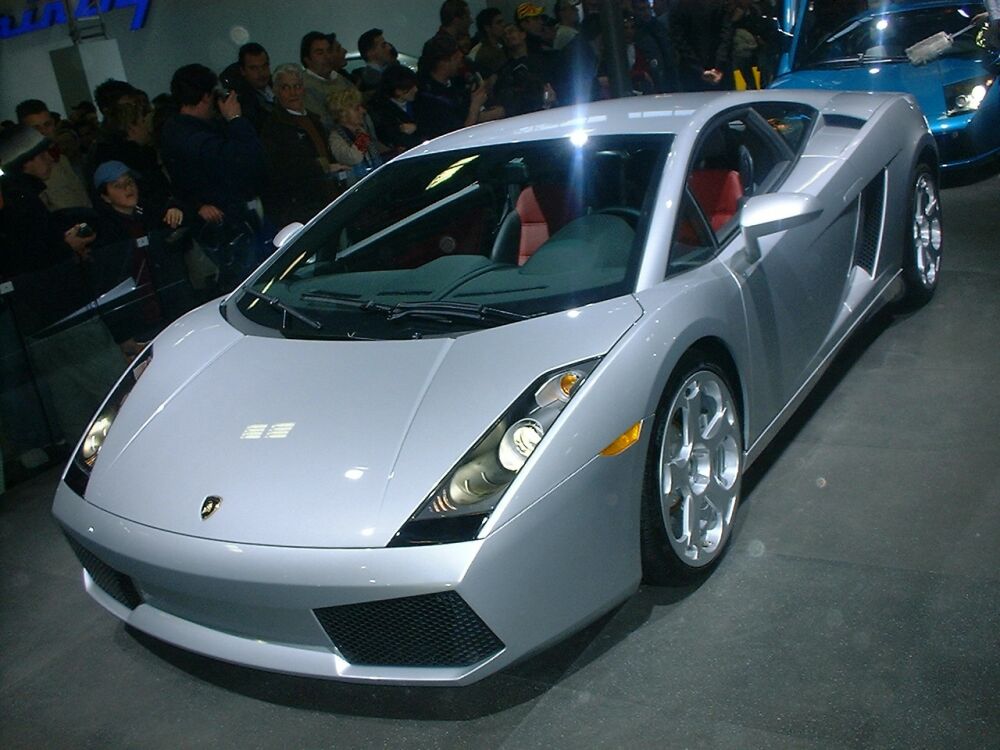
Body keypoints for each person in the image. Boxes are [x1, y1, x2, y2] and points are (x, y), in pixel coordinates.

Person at [159, 63, 267, 287]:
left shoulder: (175, 130)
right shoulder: (195, 137)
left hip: (220, 225)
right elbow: (246, 159)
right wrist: (236, 120)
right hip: (223, 231)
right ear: (206, 96)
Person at [0, 125, 95, 278]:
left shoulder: (20, 196)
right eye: (43, 155)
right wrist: (68, 247)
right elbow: (30, 259)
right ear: (25, 163)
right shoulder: (21, 202)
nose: (51, 159)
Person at [260, 63, 344, 227]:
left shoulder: (315, 120)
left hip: (327, 199)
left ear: (303, 89)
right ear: (276, 91)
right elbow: (281, 168)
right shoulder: (272, 128)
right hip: (301, 208)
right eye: (286, 87)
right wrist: (321, 166)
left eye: (297, 86)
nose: (293, 93)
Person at [415, 34, 504, 140]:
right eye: (456, 58)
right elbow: (457, 136)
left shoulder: (457, 83)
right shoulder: (428, 98)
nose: (460, 62)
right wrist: (475, 105)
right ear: (444, 61)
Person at [15, 99, 92, 211]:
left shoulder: (61, 158)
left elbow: (82, 198)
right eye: (36, 128)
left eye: (47, 124)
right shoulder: (24, 168)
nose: (44, 131)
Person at [327, 87, 385, 185]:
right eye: (357, 108)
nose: (363, 111)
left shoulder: (360, 131)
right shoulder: (335, 138)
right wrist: (362, 136)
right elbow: (355, 158)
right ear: (343, 113)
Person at [300, 30, 355, 131]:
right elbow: (327, 126)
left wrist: (369, 145)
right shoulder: (304, 88)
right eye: (320, 53)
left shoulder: (340, 79)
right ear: (307, 60)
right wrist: (363, 144)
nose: (327, 57)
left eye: (329, 51)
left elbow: (360, 113)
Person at [367, 63, 424, 155]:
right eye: (409, 87)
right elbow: (356, 156)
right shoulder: (378, 110)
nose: (416, 89)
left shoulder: (421, 101)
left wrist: (418, 127)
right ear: (397, 90)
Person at [219, 42, 276, 133]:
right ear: (243, 71)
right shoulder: (240, 101)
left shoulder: (281, 88)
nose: (261, 73)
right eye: (254, 68)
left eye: (264, 66)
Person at [354, 28, 396, 97]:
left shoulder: (389, 71)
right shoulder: (368, 80)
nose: (389, 48)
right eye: (383, 46)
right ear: (370, 53)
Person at [470, 8, 507, 77]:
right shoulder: (483, 53)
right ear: (487, 28)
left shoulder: (504, 44)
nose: (503, 25)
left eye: (503, 21)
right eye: (499, 23)